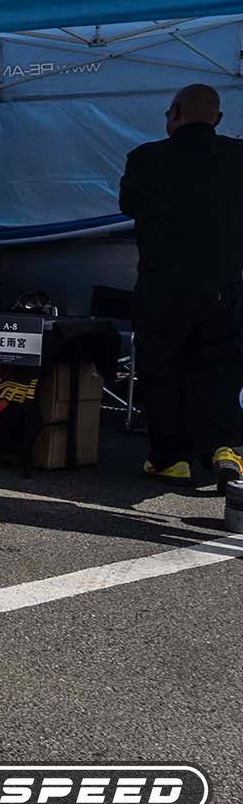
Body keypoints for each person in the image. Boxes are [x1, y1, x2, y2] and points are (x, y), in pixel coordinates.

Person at [119, 83, 243, 503]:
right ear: (219, 119)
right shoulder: (238, 156)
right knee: (220, 366)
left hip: (163, 284)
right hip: (223, 285)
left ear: (173, 114)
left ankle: (170, 458)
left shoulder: (146, 157)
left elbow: (129, 205)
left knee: (161, 368)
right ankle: (224, 445)